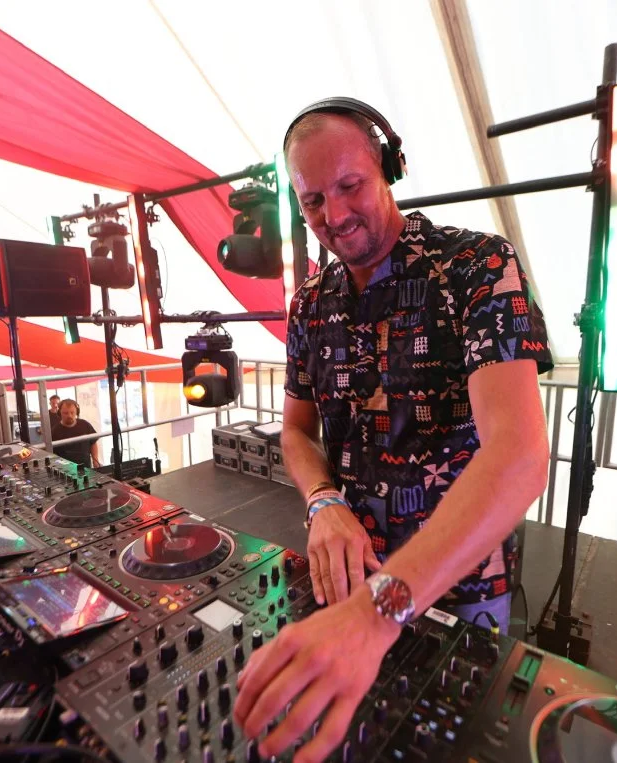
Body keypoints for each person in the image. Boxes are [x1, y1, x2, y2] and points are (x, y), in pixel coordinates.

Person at [233, 99, 552, 762]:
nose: (336, 215)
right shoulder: (309, 304)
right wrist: (323, 501)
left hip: (459, 587)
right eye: (314, 200)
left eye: (349, 186)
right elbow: (297, 431)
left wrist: (378, 610)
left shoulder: (478, 268)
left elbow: (520, 456)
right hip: (350, 579)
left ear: (389, 169)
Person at [49, 398, 101, 468]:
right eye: (65, 413)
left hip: (86, 467)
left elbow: (93, 443)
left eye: (72, 412)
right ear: (59, 413)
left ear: (77, 412)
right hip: (66, 470)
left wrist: (95, 460)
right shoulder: (54, 431)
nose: (69, 416)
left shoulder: (85, 425)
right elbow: (52, 455)